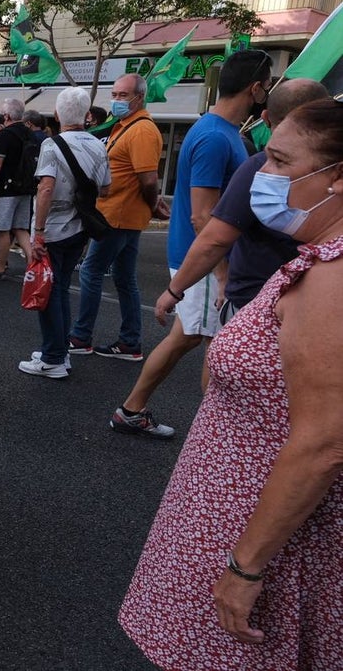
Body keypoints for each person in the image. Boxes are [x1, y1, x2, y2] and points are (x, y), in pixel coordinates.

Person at [120, 97, 343, 669]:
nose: (261, 176)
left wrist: (246, 568)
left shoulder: (332, 279)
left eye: (278, 161)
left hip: (266, 531)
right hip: (239, 510)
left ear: (337, 179)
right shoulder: (317, 258)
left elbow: (323, 443)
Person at [109, 49, 271, 438]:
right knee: (199, 338)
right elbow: (203, 215)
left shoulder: (225, 133)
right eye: (267, 84)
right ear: (255, 88)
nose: (268, 90)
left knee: (199, 336)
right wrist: (222, 271)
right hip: (198, 258)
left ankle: (142, 412)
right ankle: (204, 433)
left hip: (200, 257)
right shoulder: (215, 137)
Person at [154, 78, 328, 325]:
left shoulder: (252, 165)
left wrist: (175, 290)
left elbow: (214, 236)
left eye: (279, 161)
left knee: (219, 353)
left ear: (266, 118)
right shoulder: (224, 141)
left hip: (257, 304)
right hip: (312, 305)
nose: (272, 168)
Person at [68, 74, 167, 361]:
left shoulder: (142, 131)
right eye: (115, 94)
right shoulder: (126, 126)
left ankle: (81, 336)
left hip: (120, 215)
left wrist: (154, 204)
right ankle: (129, 342)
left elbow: (148, 180)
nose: (117, 100)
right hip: (118, 213)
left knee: (90, 271)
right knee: (124, 278)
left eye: (123, 95)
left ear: (139, 97)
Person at [18, 88, 111, 379]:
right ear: (87, 115)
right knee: (60, 289)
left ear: (57, 115)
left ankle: (53, 358)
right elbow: (106, 187)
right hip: (81, 228)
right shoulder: (98, 145)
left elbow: (45, 188)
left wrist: (38, 233)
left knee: (49, 292)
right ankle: (58, 350)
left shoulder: (52, 145)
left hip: (54, 229)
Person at [0, 98, 35, 279]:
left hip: (6, 188)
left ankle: (0, 268)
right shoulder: (30, 133)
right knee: (21, 228)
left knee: (3, 230)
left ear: (7, 115)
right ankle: (32, 265)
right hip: (26, 186)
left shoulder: (5, 134)